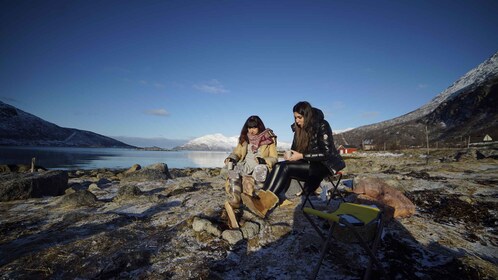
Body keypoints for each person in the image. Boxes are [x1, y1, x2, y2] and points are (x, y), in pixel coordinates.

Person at [242, 101, 345, 218]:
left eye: (299, 117)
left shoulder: (322, 125)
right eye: (295, 117)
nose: (297, 121)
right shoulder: (298, 129)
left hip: (324, 165)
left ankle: (264, 205)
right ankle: (260, 199)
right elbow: (294, 150)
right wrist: (289, 155)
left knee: (285, 167)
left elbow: (326, 153)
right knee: (278, 165)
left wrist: (301, 156)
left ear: (307, 115)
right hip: (308, 162)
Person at [223, 115, 278, 228]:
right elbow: (237, 153)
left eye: (254, 127)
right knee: (232, 169)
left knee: (260, 169)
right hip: (245, 165)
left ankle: (256, 200)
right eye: (249, 128)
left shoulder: (269, 139)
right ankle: (236, 199)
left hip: (260, 166)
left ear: (260, 127)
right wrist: (232, 158)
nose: (251, 131)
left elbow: (274, 158)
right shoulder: (244, 138)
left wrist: (263, 160)